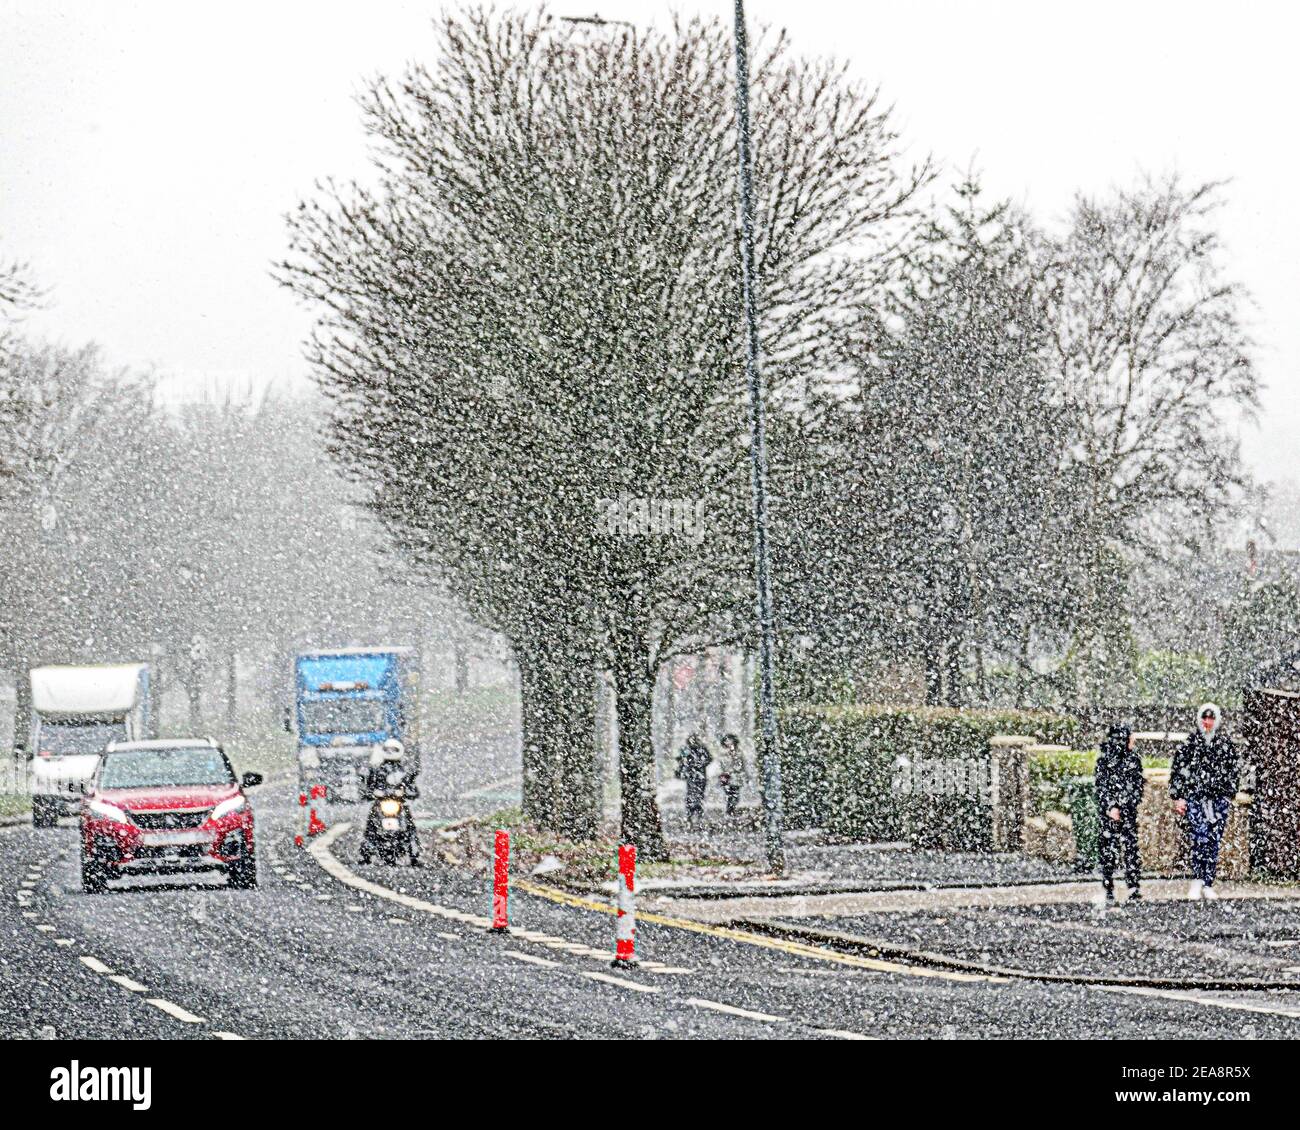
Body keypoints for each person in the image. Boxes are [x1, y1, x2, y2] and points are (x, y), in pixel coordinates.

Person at [1170, 703, 1240, 901]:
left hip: (1217, 800)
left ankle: (1208, 881)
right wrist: (1178, 797)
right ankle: (1198, 879)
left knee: (1213, 841)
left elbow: (1233, 771)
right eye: (1204, 718)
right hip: (1197, 799)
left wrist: (1228, 794)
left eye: (1211, 719)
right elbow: (1178, 772)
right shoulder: (1190, 744)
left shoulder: (1225, 744)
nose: (1207, 723)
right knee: (1200, 838)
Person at [1094, 723, 1144, 904]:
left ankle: (1133, 884)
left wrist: (1126, 805)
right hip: (1110, 815)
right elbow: (1102, 787)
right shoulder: (1105, 760)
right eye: (1130, 737)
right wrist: (1111, 807)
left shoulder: (1133, 760)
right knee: (1109, 850)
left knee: (1130, 849)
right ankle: (1109, 885)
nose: (1133, 740)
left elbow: (1138, 787)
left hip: (1128, 813)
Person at [676, 733, 711, 829]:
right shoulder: (687, 750)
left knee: (698, 796)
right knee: (692, 796)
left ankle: (696, 817)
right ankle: (691, 817)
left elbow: (708, 759)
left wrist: (699, 764)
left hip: (699, 777)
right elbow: (681, 761)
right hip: (692, 777)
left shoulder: (701, 749)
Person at [717, 733, 747, 815]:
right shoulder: (723, 753)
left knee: (735, 795)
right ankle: (730, 810)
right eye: (727, 741)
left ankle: (731, 809)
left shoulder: (738, 752)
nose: (729, 743)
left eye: (730, 741)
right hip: (726, 777)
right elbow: (722, 764)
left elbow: (742, 765)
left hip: (736, 777)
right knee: (729, 794)